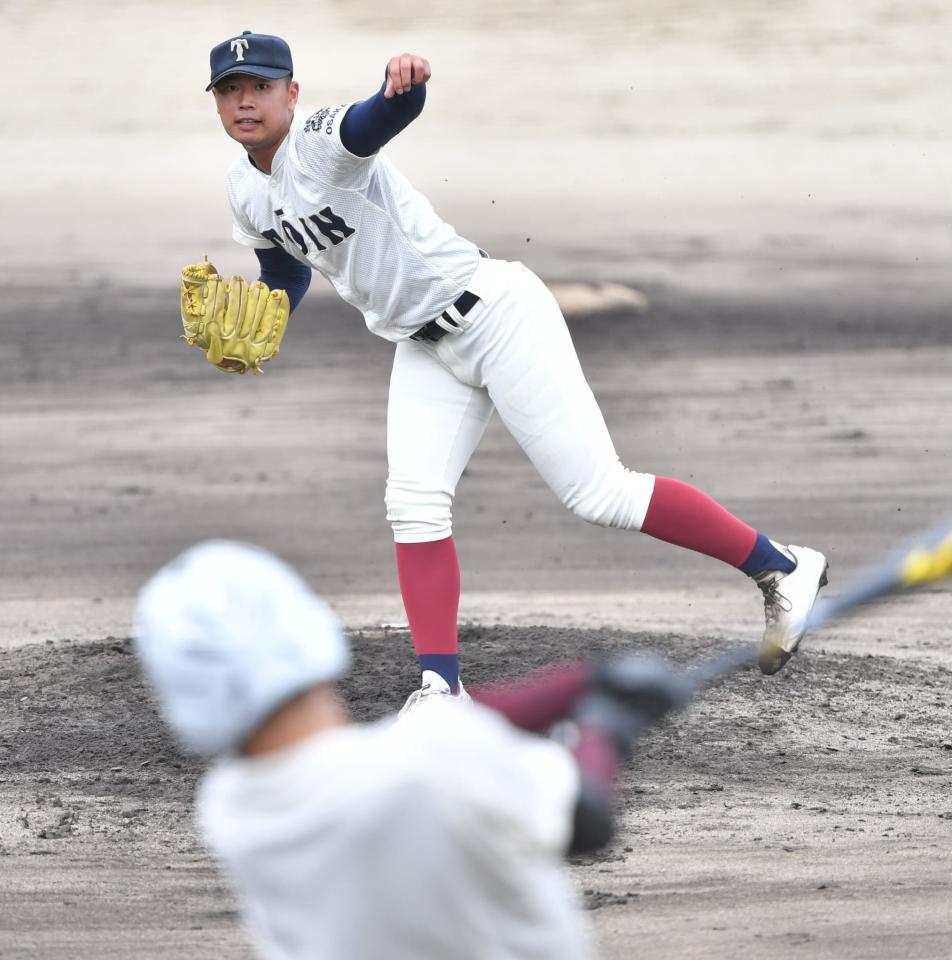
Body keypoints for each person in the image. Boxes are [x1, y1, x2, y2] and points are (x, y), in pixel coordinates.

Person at [190, 30, 829, 705]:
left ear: (291, 93)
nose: (245, 101)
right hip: (421, 345)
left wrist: (401, 87)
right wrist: (266, 314)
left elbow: (376, 121)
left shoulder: (319, 139)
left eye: (260, 86)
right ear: (217, 103)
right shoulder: (244, 189)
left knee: (599, 493)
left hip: (498, 314)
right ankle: (441, 690)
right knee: (412, 505)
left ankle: (782, 566)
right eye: (230, 90)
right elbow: (285, 268)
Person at [134, 540, 694, 960]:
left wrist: (580, 680)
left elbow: (418, 739)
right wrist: (605, 727)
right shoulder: (430, 767)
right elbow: (587, 816)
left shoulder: (232, 806)